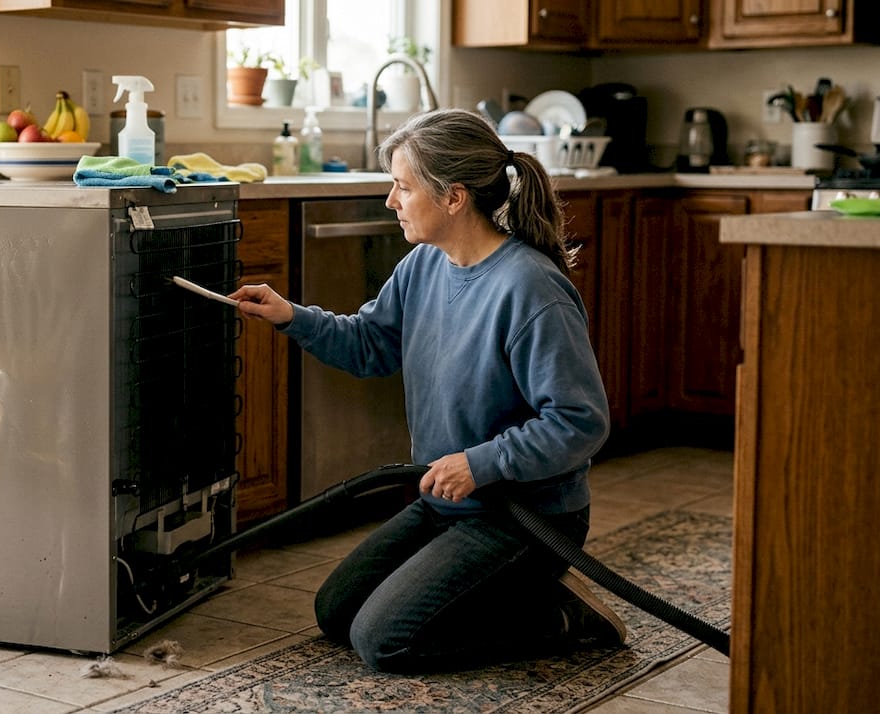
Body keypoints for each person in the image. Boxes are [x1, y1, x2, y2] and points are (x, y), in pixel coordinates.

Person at [227, 108, 626, 673]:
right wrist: (290, 315)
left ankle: (555, 618)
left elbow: (579, 421)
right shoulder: (423, 265)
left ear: (453, 197)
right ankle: (515, 596)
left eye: (402, 186)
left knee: (385, 639)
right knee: (337, 610)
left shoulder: (531, 290)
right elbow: (370, 343)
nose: (391, 201)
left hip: (526, 514)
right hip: (449, 502)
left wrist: (479, 463)